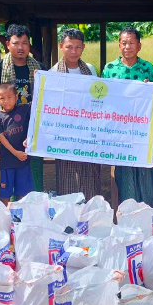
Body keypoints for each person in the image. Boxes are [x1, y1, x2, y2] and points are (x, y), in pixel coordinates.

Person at [102, 26, 153, 205]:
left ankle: (147, 211)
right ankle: (128, 213)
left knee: (144, 171)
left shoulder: (147, 68)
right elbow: (104, 98)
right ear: (119, 45)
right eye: (124, 43)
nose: (127, 47)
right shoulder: (110, 68)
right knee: (124, 171)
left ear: (139, 46)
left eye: (131, 43)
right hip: (119, 130)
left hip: (142, 128)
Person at [0, 24, 45, 192]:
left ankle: (35, 199)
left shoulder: (39, 68)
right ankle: (14, 208)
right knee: (11, 167)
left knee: (34, 167)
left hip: (32, 128)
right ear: (7, 44)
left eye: (25, 43)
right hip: (8, 129)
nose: (21, 47)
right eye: (16, 43)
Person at [50, 28, 101, 200]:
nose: (74, 52)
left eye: (78, 47)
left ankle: (91, 215)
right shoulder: (53, 73)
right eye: (69, 47)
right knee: (67, 176)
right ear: (61, 46)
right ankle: (69, 217)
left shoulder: (91, 70)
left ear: (83, 47)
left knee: (90, 175)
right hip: (65, 132)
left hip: (87, 131)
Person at [0, 83, 33, 205]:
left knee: (24, 193)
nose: (6, 101)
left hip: (23, 160)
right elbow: (2, 138)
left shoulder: (24, 109)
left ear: (16, 97)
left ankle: (22, 217)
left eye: (10, 97)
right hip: (8, 160)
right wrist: (16, 153)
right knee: (5, 193)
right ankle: (5, 216)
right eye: (2, 98)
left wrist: (38, 79)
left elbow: (39, 100)